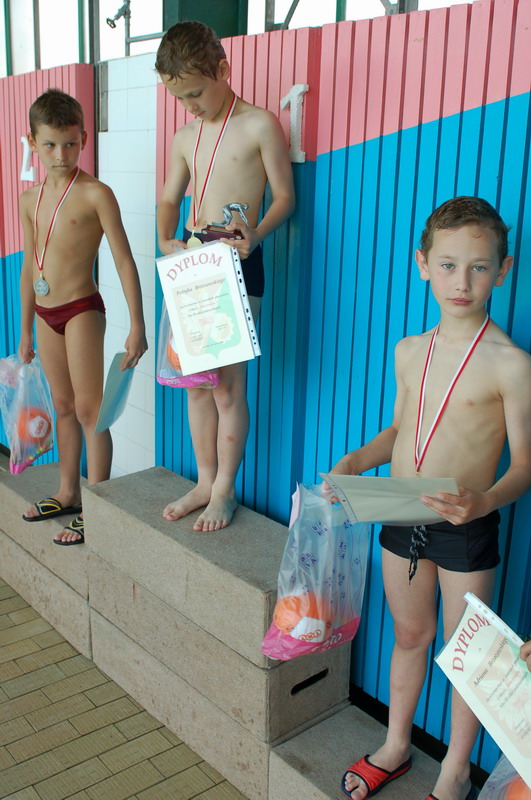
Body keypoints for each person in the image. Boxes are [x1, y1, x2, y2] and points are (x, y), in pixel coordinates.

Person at [329, 197, 531, 800]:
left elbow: (526, 465)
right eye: (447, 265)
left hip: (466, 522)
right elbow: (399, 430)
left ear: (503, 270)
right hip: (400, 508)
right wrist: (357, 461)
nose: (461, 282)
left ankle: (454, 771)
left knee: (466, 656)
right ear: (422, 265)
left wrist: (485, 501)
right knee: (410, 635)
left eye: (478, 267)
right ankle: (396, 745)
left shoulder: (511, 364)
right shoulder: (409, 349)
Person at [155, 20, 295, 532]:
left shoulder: (259, 125)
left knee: (227, 389)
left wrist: (256, 234)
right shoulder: (185, 136)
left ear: (223, 70)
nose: (189, 106)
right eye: (179, 98)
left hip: (236, 262)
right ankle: (204, 480)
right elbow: (170, 198)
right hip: (192, 262)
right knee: (195, 386)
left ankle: (225, 490)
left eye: (195, 93)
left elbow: (285, 197)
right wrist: (165, 237)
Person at [19, 88, 147, 545]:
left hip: (80, 310)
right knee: (64, 405)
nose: (61, 154)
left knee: (92, 411)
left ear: (84, 139)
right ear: (32, 142)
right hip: (45, 313)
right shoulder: (29, 199)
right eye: (50, 144)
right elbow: (29, 266)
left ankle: (98, 507)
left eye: (71, 144)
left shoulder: (96, 193)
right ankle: (68, 491)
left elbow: (125, 260)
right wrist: (25, 330)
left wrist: (137, 324)